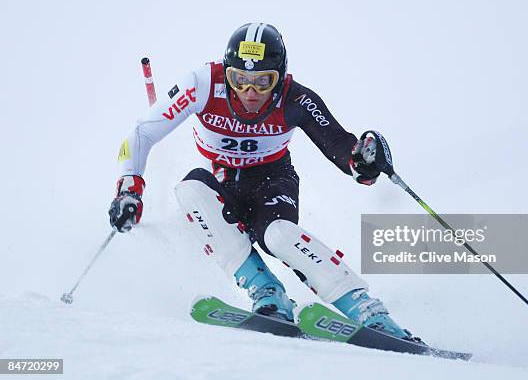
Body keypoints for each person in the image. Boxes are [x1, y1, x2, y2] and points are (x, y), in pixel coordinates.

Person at [109, 23, 420, 342]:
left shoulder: (296, 98)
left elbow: (342, 149)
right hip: (221, 181)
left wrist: (364, 161)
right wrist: (129, 190)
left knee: (278, 235)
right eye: (239, 80)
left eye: (263, 81)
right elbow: (142, 132)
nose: (250, 92)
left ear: (280, 76)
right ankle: (268, 294)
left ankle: (368, 311)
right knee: (189, 190)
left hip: (272, 179)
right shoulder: (201, 84)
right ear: (227, 73)